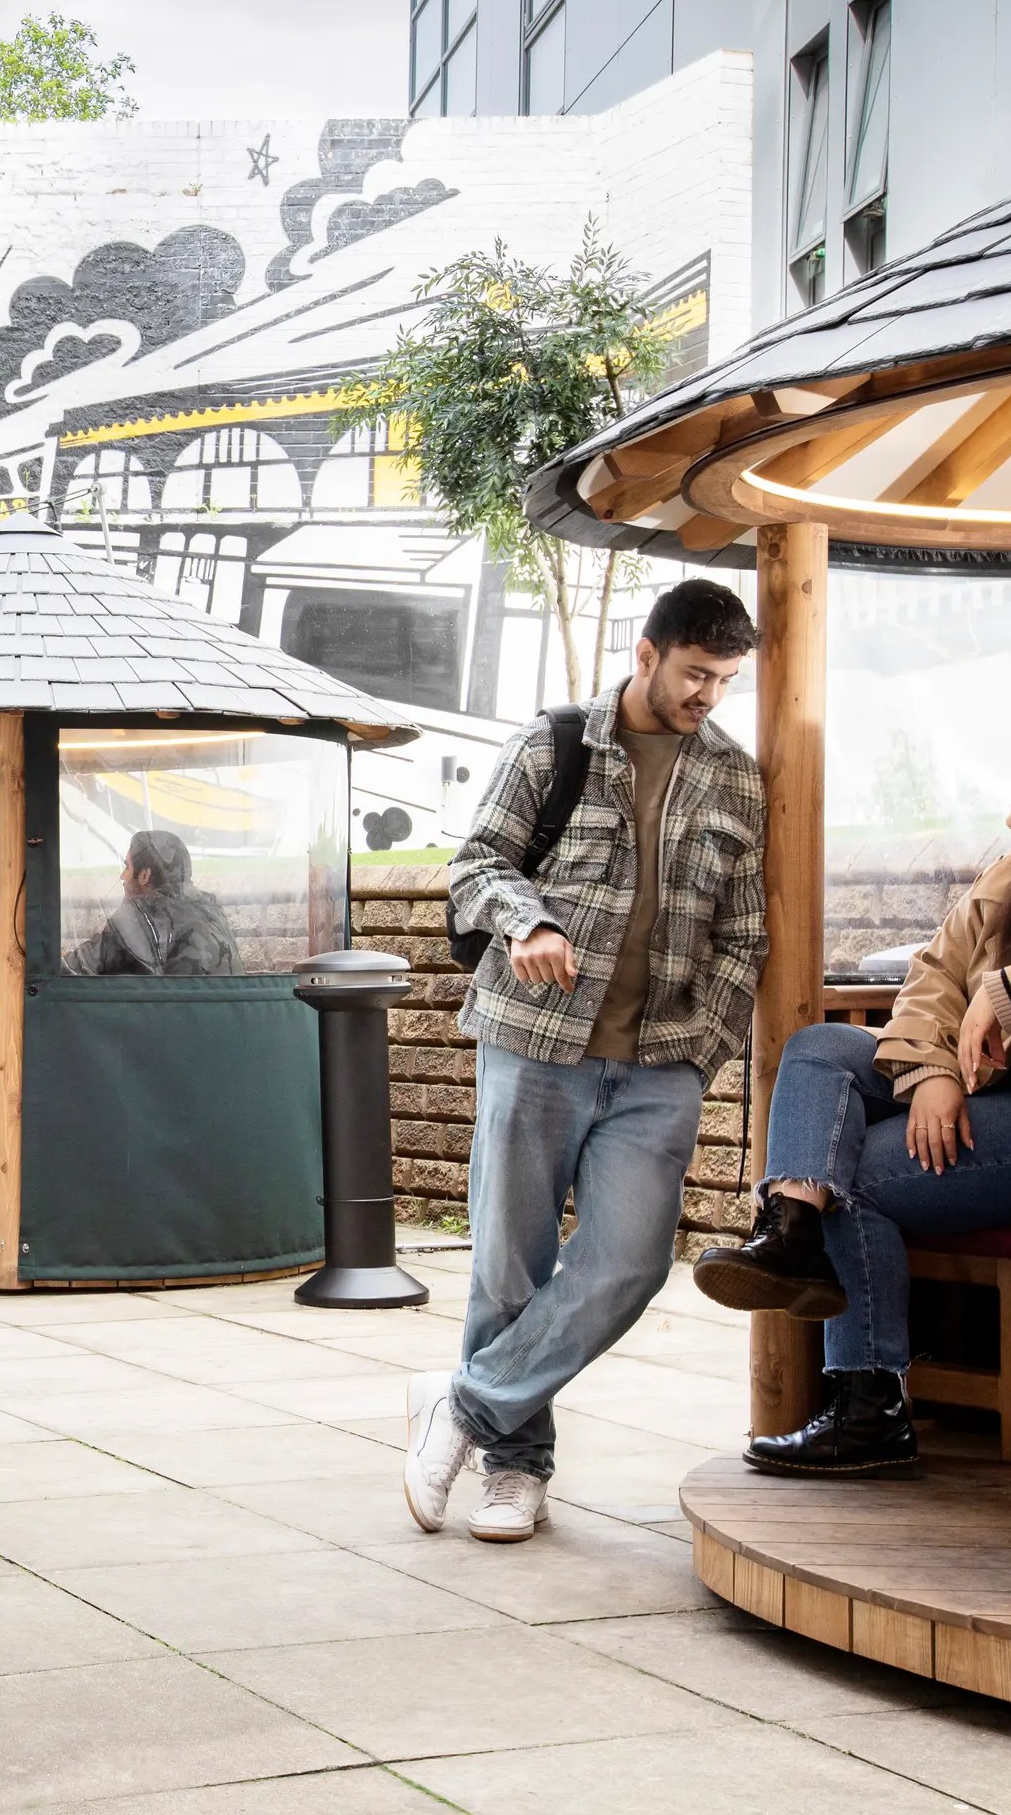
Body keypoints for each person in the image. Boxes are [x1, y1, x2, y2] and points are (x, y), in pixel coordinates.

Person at [410, 578, 766, 1543]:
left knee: (629, 1263)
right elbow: (479, 863)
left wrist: (702, 1056)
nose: (708, 697)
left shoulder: (735, 775)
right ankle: (516, 1470)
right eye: (697, 674)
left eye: (726, 680)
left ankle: (466, 1407)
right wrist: (526, 921)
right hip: (536, 1045)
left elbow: (745, 936)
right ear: (646, 654)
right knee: (509, 1266)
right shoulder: (556, 743)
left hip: (659, 1066)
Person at [694, 714, 1011, 1477]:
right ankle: (792, 1232)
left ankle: (867, 1408)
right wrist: (932, 1074)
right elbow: (931, 980)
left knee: (850, 1174)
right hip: (973, 1100)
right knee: (821, 1047)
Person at [61, 829, 239, 977]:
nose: (122, 876)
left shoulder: (138, 918)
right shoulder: (213, 910)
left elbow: (69, 967)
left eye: (127, 867)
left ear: (144, 875)